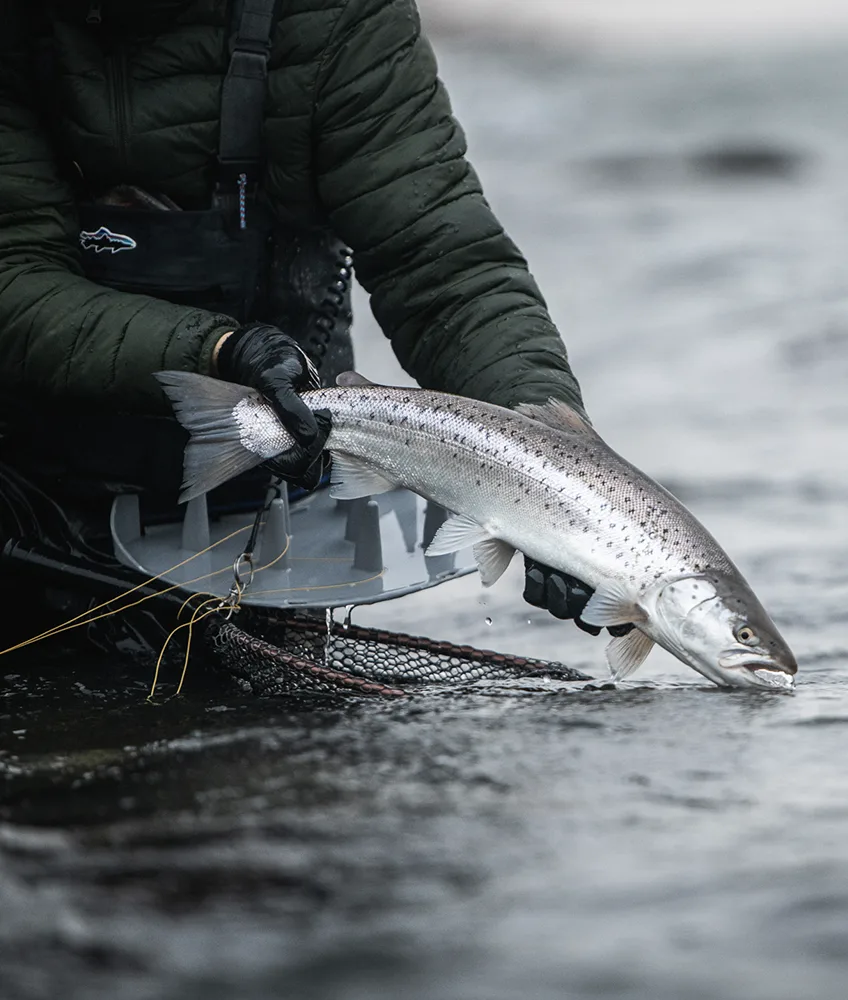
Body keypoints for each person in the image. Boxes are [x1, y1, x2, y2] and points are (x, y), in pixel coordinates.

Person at [0, 0, 614, 645]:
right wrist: (218, 351)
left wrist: (555, 476)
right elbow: (13, 273)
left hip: (269, 518)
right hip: (23, 493)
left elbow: (443, 268)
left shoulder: (340, 16)